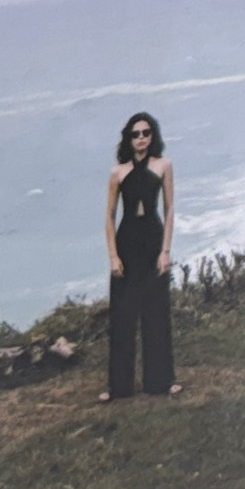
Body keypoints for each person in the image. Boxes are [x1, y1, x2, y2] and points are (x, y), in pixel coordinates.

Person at [100, 110, 180, 401]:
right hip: (127, 240)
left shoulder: (163, 165)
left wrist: (165, 251)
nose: (141, 138)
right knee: (122, 314)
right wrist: (113, 256)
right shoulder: (117, 173)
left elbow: (169, 210)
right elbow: (109, 216)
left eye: (146, 133)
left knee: (156, 311)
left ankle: (161, 382)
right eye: (136, 134)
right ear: (129, 139)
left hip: (153, 239)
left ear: (152, 136)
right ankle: (118, 387)